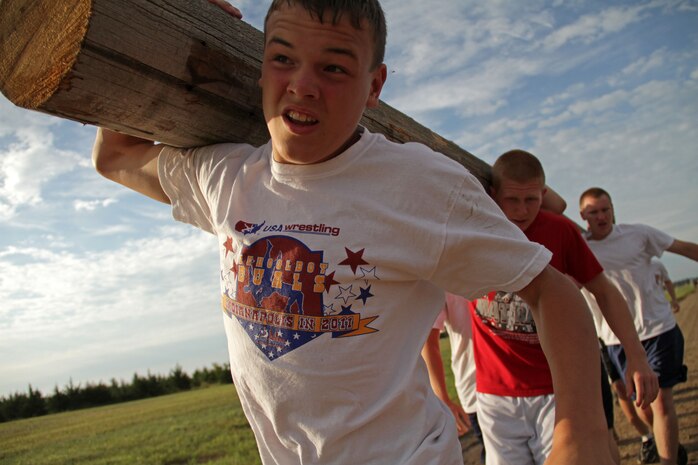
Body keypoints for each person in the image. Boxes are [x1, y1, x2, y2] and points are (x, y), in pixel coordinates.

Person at [90, 1, 622, 463]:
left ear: (375, 86)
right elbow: (113, 157)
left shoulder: (419, 184)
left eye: (334, 68)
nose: (302, 84)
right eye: (282, 59)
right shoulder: (225, 176)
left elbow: (551, 290)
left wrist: (582, 433)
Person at [466, 150, 657, 465]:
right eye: (512, 200)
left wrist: (636, 355)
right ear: (493, 195)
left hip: (556, 389)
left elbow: (605, 292)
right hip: (495, 392)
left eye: (532, 200)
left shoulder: (559, 230)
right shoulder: (476, 229)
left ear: (544, 194)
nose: (522, 210)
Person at [580, 187, 698, 465]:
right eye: (593, 212)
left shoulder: (639, 234)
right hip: (615, 339)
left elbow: (683, 247)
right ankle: (665, 441)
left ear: (613, 209)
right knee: (641, 404)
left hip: (658, 330)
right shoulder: (579, 247)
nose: (601, 216)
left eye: (605, 209)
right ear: (583, 216)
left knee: (661, 402)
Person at [421, 292, 485, 463]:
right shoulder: (442, 275)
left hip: (522, 378)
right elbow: (429, 342)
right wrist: (443, 399)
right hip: (476, 387)